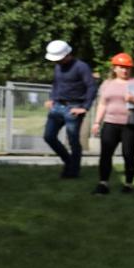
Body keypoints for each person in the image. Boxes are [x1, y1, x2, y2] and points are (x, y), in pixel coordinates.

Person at [92, 52, 134, 195]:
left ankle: (128, 184)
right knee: (106, 154)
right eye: (121, 67)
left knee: (128, 154)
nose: (125, 70)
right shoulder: (107, 84)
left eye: (127, 67)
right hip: (110, 123)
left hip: (131, 125)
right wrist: (96, 122)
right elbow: (102, 104)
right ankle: (103, 184)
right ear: (114, 68)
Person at [43, 39, 96, 178]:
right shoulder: (57, 67)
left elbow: (91, 86)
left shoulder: (81, 67)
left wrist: (85, 107)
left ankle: (73, 172)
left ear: (67, 54)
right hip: (57, 106)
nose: (56, 62)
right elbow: (56, 84)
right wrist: (52, 99)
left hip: (75, 108)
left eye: (59, 59)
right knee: (49, 137)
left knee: (73, 141)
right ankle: (69, 162)